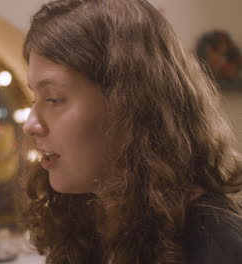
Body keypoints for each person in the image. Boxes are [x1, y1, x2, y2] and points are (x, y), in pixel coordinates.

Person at [21, 0, 242, 263]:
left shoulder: (216, 242)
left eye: (54, 98)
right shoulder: (90, 219)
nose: (30, 125)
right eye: (35, 97)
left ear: (131, 103)